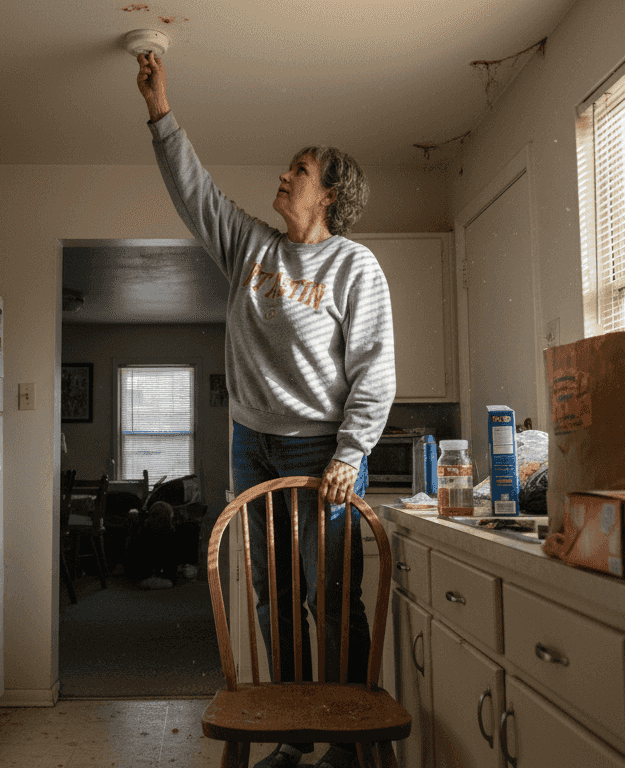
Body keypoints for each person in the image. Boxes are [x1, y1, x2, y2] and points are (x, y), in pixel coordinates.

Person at [135, 52, 395, 768]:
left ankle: (344, 738)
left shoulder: (354, 267)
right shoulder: (251, 248)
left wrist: (351, 453)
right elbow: (197, 195)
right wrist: (161, 110)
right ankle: (291, 735)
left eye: (299, 171)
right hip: (253, 446)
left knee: (331, 599)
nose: (283, 177)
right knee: (273, 599)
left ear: (330, 194)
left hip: (323, 457)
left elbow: (375, 369)